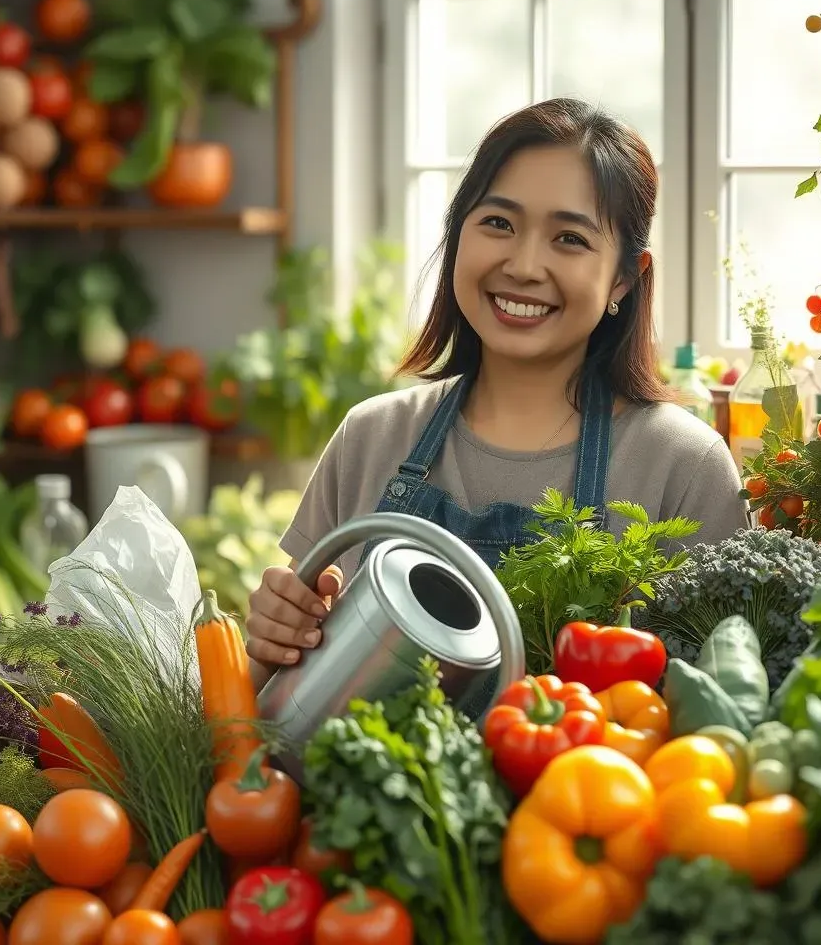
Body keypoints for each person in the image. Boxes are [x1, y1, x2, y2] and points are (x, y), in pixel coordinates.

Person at [246, 97, 748, 692]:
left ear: (623, 278)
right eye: (499, 223)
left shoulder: (682, 465)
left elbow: (714, 716)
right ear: (458, 235)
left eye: (569, 238)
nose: (525, 265)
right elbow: (275, 695)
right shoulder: (371, 437)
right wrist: (274, 637)